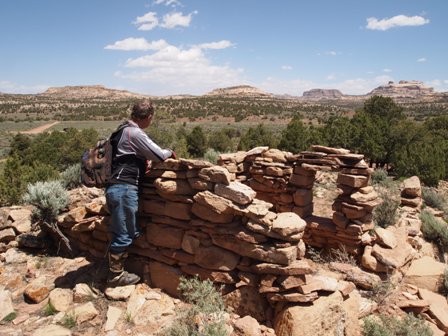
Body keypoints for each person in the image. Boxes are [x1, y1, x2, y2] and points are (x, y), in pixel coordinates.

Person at [105, 100, 175, 287]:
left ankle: (115, 268)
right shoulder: (134, 133)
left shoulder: (122, 130)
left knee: (125, 230)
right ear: (149, 117)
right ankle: (115, 276)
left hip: (117, 188)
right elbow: (159, 154)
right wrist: (170, 152)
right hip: (124, 189)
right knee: (124, 233)